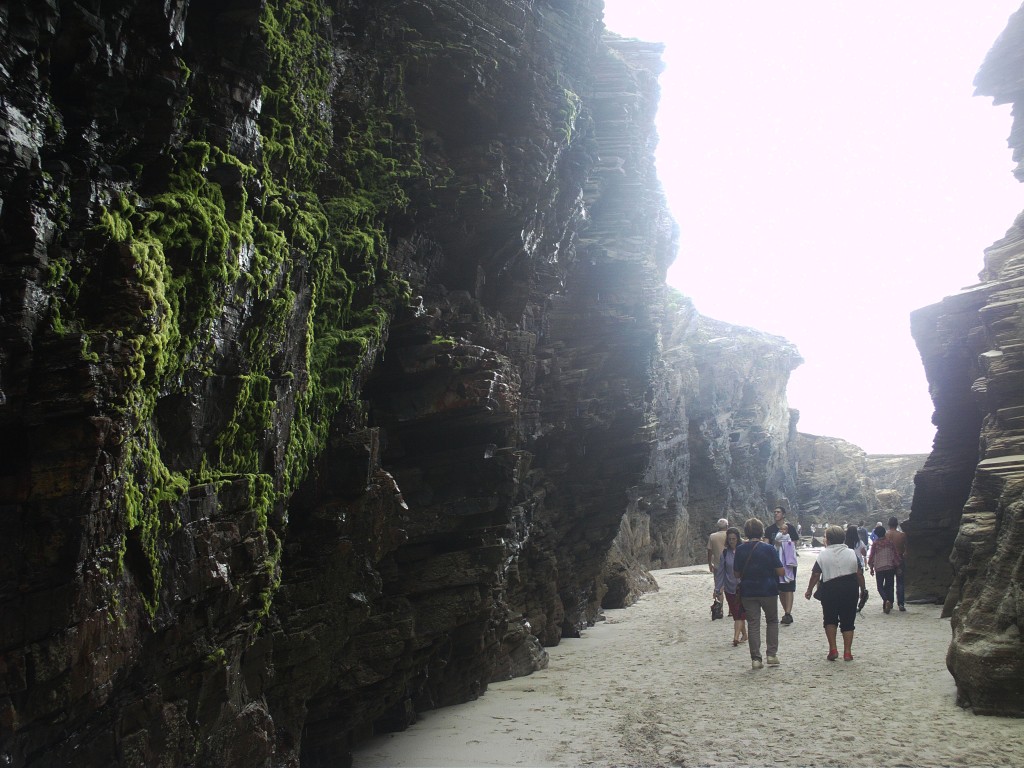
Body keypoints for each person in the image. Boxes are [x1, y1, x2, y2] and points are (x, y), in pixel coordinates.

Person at [804, 525, 868, 661]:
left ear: (827, 540)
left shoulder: (822, 554)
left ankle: (833, 649)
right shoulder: (851, 553)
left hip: (830, 589)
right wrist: (863, 589)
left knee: (830, 619)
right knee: (848, 620)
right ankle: (847, 652)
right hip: (850, 588)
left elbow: (815, 574)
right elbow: (859, 573)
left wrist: (809, 590)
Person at [735, 517, 785, 669]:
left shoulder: (740, 549)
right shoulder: (768, 548)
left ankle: (756, 659)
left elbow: (736, 574)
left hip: (748, 591)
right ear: (761, 531)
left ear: (746, 532)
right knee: (772, 621)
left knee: (753, 624)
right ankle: (771, 654)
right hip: (768, 589)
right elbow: (781, 570)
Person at [764, 506, 799, 625]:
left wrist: (783, 543)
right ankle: (786, 612)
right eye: (774, 512)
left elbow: (794, 543)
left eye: (778, 512)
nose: (775, 514)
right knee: (779, 588)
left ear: (783, 515)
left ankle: (788, 613)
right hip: (776, 561)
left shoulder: (791, 528)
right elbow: (766, 544)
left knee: (789, 586)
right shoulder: (770, 529)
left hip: (788, 561)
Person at [713, 527, 747, 647]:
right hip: (729, 587)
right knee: (736, 612)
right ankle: (744, 634)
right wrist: (718, 588)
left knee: (739, 613)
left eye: (734, 539)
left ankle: (736, 637)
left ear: (738, 538)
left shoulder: (743, 551)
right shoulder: (725, 553)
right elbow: (721, 572)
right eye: (730, 539)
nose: (732, 541)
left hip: (743, 587)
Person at [867, 524, 900, 613]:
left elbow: (871, 557)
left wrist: (871, 567)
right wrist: (897, 565)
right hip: (890, 567)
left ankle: (886, 600)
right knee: (889, 586)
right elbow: (895, 554)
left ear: (877, 534)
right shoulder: (890, 542)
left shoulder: (875, 544)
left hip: (879, 568)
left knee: (880, 586)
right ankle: (889, 602)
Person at [887, 516, 908, 611]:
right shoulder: (902, 535)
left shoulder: (885, 535)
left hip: (889, 560)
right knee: (900, 583)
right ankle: (901, 603)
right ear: (897, 524)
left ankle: (890, 602)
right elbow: (905, 549)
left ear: (888, 524)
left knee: (889, 582)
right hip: (899, 559)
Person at [707, 518, 729, 608]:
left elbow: (709, 551)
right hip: (730, 565)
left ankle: (720, 608)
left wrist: (709, 564)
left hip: (717, 565)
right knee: (730, 587)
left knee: (719, 586)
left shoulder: (713, 536)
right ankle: (731, 610)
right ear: (727, 526)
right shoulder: (730, 535)